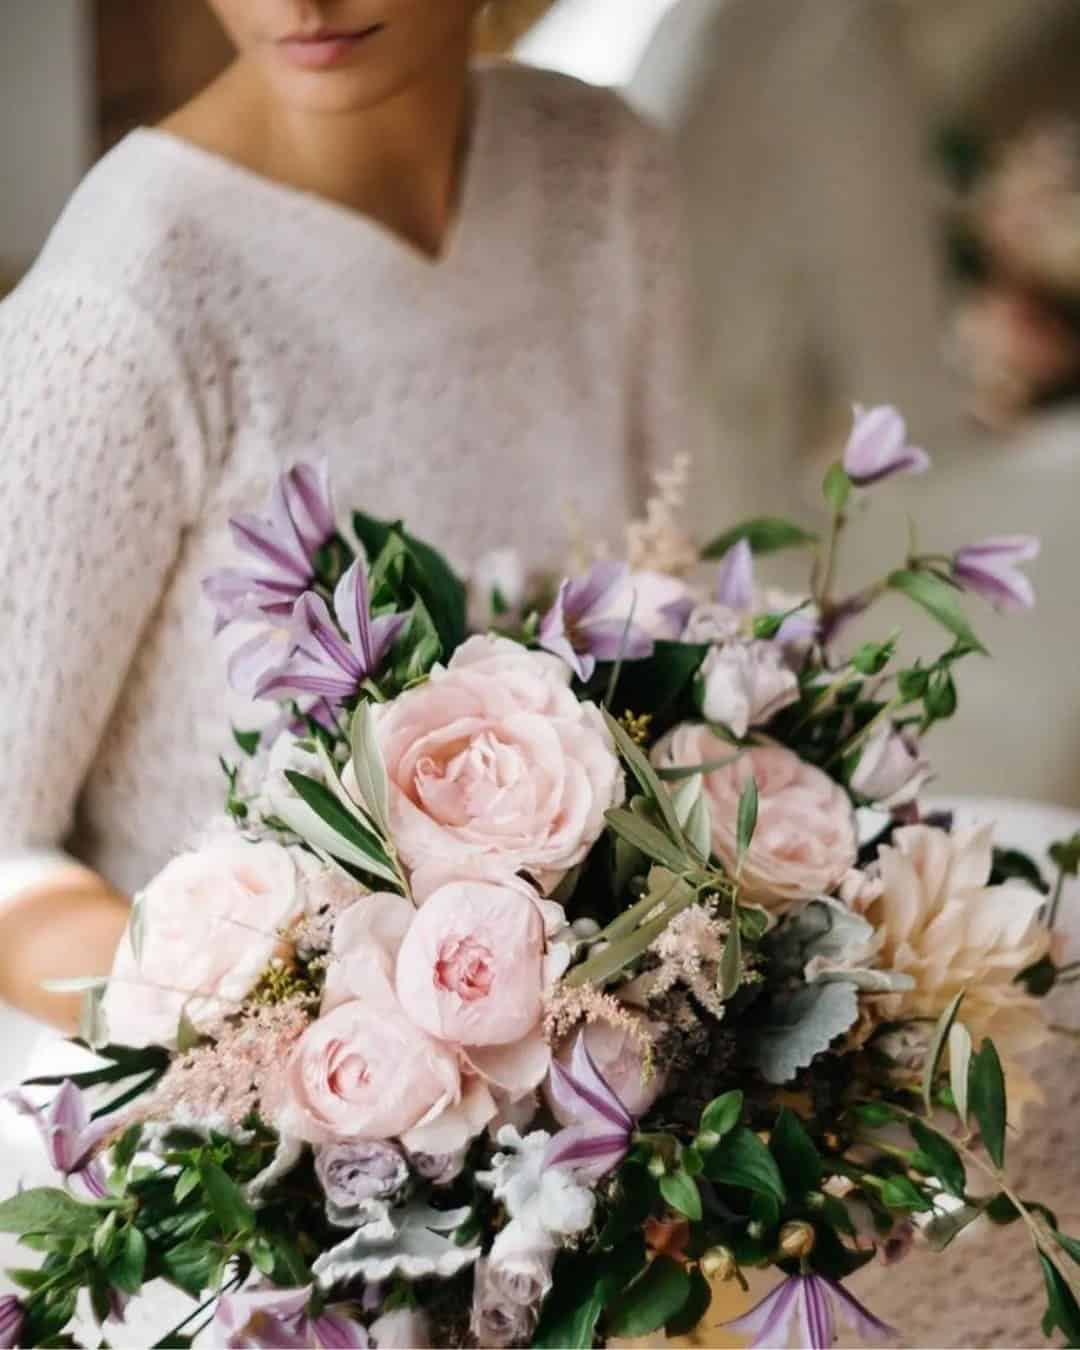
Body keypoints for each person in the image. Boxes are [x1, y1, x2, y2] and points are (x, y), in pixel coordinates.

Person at [0, 0, 698, 1029]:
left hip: (600, 1047)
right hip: (232, 1117)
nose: (299, 4)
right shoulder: (119, 305)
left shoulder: (600, 170)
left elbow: (674, 601)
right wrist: (309, 1064)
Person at [629, 0, 958, 531]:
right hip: (743, 525)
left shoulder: (690, 32)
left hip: (687, 519)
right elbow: (909, 402)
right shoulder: (827, 25)